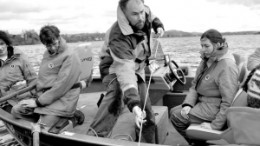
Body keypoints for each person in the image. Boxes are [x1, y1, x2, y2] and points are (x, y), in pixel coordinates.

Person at [87, 0, 164, 143]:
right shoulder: (118, 36)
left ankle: (148, 142)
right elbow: (125, 72)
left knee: (147, 113)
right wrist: (134, 104)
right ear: (124, 12)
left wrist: (158, 26)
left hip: (137, 66)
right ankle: (94, 137)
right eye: (135, 14)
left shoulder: (143, 12)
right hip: (114, 66)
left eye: (141, 12)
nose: (141, 17)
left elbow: (151, 16)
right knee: (118, 93)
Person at [170, 29, 239, 140]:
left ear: (218, 45)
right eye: (202, 46)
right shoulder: (207, 60)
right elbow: (194, 86)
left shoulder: (227, 66)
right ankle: (197, 138)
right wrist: (188, 104)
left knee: (176, 116)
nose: (203, 49)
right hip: (203, 101)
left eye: (206, 46)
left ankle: (197, 142)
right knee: (174, 111)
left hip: (214, 108)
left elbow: (228, 101)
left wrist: (214, 126)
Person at [11, 25, 83, 127]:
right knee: (15, 111)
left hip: (63, 100)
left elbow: (61, 86)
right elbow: (44, 79)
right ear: (44, 44)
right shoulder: (47, 53)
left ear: (58, 38)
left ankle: (70, 114)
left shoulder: (70, 55)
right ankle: (43, 117)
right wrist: (32, 95)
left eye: (54, 44)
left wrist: (38, 102)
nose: (52, 48)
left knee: (43, 127)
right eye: (48, 45)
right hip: (46, 98)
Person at [0, 30, 37, 108]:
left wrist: (31, 96)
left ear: (7, 43)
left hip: (20, 99)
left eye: (2, 44)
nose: (0, 48)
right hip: (2, 102)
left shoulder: (20, 57)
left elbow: (33, 80)